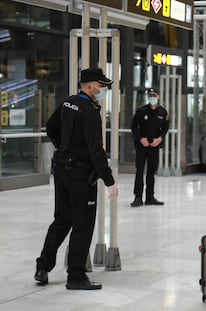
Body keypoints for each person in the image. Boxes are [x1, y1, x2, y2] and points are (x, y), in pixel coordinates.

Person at [35, 68, 119, 290]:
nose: (103, 90)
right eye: (101, 86)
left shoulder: (68, 103)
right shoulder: (90, 111)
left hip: (62, 169)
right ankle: (76, 276)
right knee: (83, 223)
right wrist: (109, 180)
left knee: (62, 219)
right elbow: (96, 149)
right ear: (90, 86)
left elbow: (51, 127)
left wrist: (64, 147)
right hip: (81, 175)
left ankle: (42, 266)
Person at [130, 88, 169, 207]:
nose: (152, 97)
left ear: (158, 96)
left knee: (151, 172)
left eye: (154, 95)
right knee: (140, 171)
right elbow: (133, 127)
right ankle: (138, 197)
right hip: (142, 145)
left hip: (154, 145)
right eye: (150, 95)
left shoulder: (163, 112)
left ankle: (150, 197)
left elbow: (165, 128)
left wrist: (160, 139)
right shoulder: (141, 111)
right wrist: (140, 138)